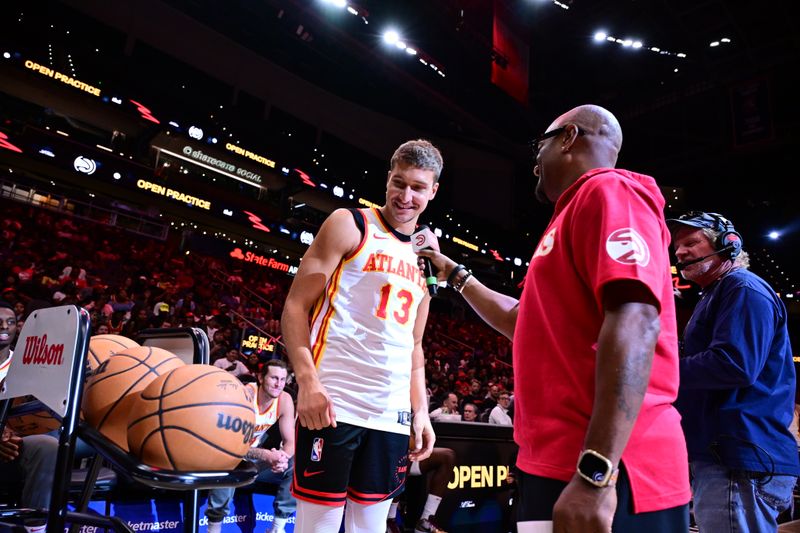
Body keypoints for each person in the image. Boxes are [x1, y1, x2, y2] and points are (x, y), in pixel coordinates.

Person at [418, 104, 691, 532]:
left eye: (538, 145)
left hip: (608, 470)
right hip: (555, 463)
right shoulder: (568, 216)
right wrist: (454, 274)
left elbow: (637, 319)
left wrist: (595, 473)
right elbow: (521, 319)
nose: (534, 164)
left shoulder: (610, 190)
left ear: (567, 138)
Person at [282, 139, 440, 533]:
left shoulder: (428, 256)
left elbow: (415, 346)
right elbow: (295, 307)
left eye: (418, 187)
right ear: (388, 178)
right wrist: (308, 383)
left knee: (369, 527)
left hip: (391, 414)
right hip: (335, 402)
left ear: (433, 191)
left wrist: (420, 411)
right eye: (399, 183)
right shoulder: (350, 223)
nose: (406, 196)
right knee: (318, 526)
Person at [668, 211, 799, 532]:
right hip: (729, 454)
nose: (680, 251)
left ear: (728, 244)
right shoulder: (718, 292)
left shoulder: (742, 288)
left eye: (691, 242)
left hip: (737, 456)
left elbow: (734, 364)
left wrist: (659, 370)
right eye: (676, 246)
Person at [205, 359, 296, 533]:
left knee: (295, 464)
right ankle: (213, 528)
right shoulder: (245, 395)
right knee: (228, 460)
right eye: (274, 378)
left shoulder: (285, 399)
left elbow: (290, 442)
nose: (279, 384)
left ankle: (277, 528)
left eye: (283, 380)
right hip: (230, 454)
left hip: (254, 461)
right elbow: (227, 446)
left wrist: (282, 458)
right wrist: (266, 455)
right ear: (261, 378)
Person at [0, 301, 59, 533]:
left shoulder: (30, 365)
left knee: (48, 443)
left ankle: (36, 528)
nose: (5, 326)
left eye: (11, 322)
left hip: (14, 446)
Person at [386, 447, 455, 533]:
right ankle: (390, 520)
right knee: (403, 453)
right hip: (389, 456)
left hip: (412, 453)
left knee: (447, 456)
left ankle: (425, 521)